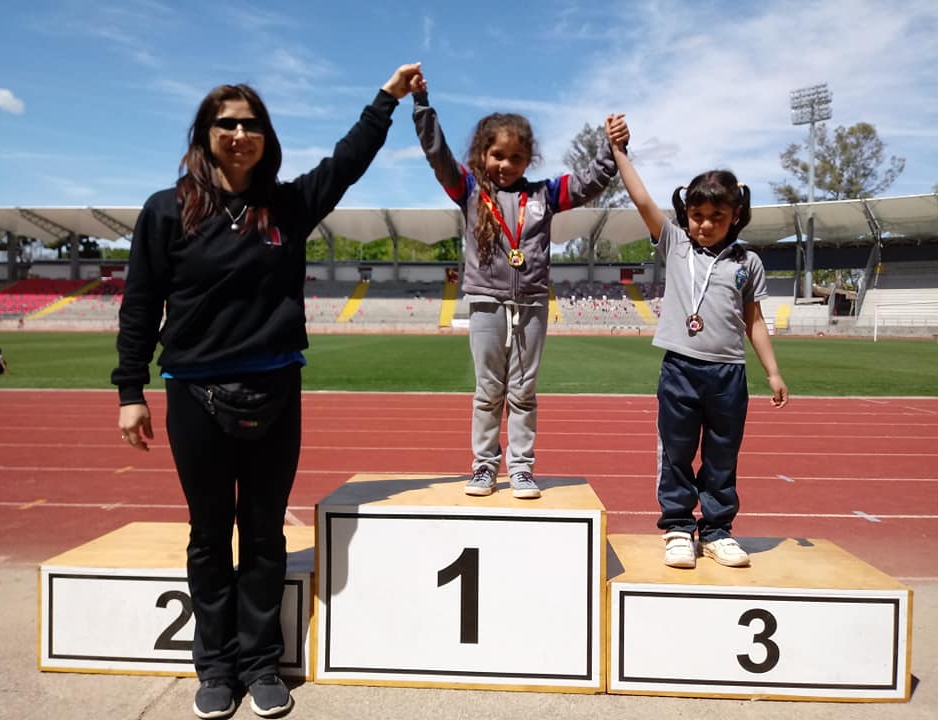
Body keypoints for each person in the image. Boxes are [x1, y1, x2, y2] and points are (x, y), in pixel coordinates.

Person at [112, 63, 423, 720]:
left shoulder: (287, 206)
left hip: (276, 388)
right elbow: (140, 303)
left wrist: (386, 99)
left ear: (265, 136)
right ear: (205, 133)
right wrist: (129, 388)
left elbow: (346, 163)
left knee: (262, 534)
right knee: (207, 532)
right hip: (194, 393)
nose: (240, 133)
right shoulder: (165, 211)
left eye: (251, 123)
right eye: (226, 122)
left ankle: (260, 663)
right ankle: (215, 666)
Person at [411, 74, 617, 499]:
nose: (506, 165)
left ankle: (521, 468)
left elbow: (590, 182)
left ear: (529, 160)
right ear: (482, 154)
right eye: (497, 155)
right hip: (486, 301)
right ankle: (484, 466)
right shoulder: (468, 189)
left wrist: (613, 149)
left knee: (523, 389)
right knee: (488, 389)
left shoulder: (546, 194)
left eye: (517, 157)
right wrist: (421, 103)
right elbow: (436, 153)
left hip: (532, 302)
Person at [606, 114, 789, 569]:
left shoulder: (747, 262)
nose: (705, 224)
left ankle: (717, 530)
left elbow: (755, 321)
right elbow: (642, 198)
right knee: (677, 451)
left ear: (736, 217)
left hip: (728, 373)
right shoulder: (675, 244)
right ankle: (678, 528)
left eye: (716, 217)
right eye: (697, 215)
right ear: (686, 213)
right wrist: (619, 152)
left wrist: (772, 371)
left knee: (723, 456)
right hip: (680, 368)